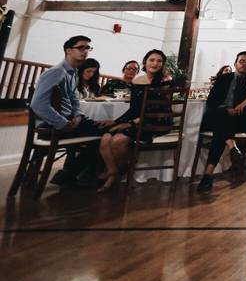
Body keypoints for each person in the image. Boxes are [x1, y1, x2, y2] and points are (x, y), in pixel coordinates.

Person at [29, 36, 112, 187]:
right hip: (53, 125)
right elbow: (37, 104)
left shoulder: (72, 72)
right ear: (68, 50)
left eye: (88, 48)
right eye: (81, 48)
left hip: (71, 121)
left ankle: (70, 174)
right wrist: (62, 123)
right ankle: (81, 176)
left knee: (107, 129)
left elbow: (75, 101)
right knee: (107, 133)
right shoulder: (56, 72)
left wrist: (79, 116)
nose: (85, 52)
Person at [97, 49, 173, 191]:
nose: (155, 63)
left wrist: (131, 123)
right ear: (145, 62)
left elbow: (155, 109)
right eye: (152, 60)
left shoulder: (165, 81)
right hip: (139, 120)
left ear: (162, 64)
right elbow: (134, 109)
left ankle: (120, 173)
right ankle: (113, 171)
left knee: (117, 140)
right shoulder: (137, 80)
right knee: (106, 137)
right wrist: (116, 121)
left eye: (159, 61)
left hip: (156, 122)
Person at [196, 51, 246, 193]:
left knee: (220, 133)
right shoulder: (225, 78)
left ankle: (208, 176)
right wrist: (226, 109)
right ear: (235, 63)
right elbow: (211, 101)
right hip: (220, 114)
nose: (245, 64)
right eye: (241, 61)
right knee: (221, 116)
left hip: (238, 119)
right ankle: (231, 148)